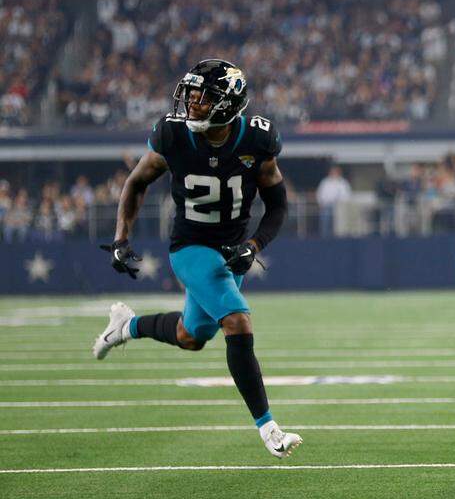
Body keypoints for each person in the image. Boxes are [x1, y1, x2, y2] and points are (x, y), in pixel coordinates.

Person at [91, 59, 302, 458]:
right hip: (189, 247)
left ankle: (125, 327)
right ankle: (269, 429)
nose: (192, 104)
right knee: (237, 321)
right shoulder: (172, 134)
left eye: (202, 98)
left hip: (230, 251)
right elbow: (137, 182)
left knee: (192, 337)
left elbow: (277, 205)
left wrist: (253, 246)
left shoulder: (257, 140)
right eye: (189, 95)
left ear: (226, 103)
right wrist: (121, 236)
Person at [316, 164, 352, 237]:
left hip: (340, 207)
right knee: (325, 215)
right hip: (327, 206)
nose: (334, 173)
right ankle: (325, 236)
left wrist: (339, 203)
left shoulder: (343, 183)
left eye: (336, 171)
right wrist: (321, 203)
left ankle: (340, 236)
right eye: (333, 171)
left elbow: (347, 196)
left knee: (340, 217)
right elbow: (320, 195)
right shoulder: (325, 182)